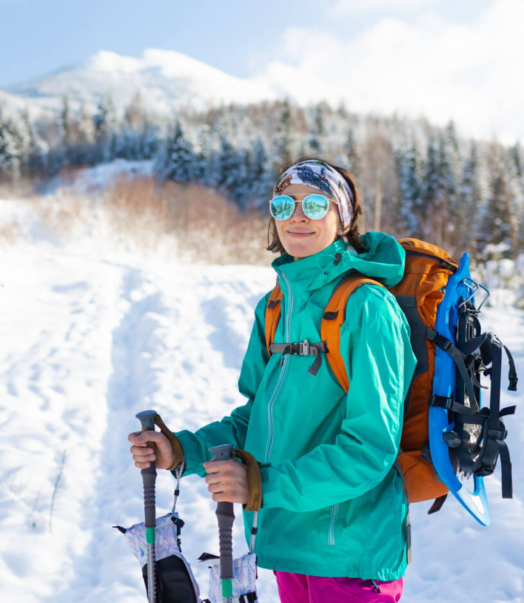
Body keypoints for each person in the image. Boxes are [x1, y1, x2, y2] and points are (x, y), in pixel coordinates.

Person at [128, 158, 416, 603]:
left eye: (315, 204)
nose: (297, 216)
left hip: (348, 554)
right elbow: (251, 422)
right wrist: (182, 449)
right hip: (283, 545)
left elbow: (370, 448)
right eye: (284, 205)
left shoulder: (368, 307)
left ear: (343, 217)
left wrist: (264, 485)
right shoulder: (275, 307)